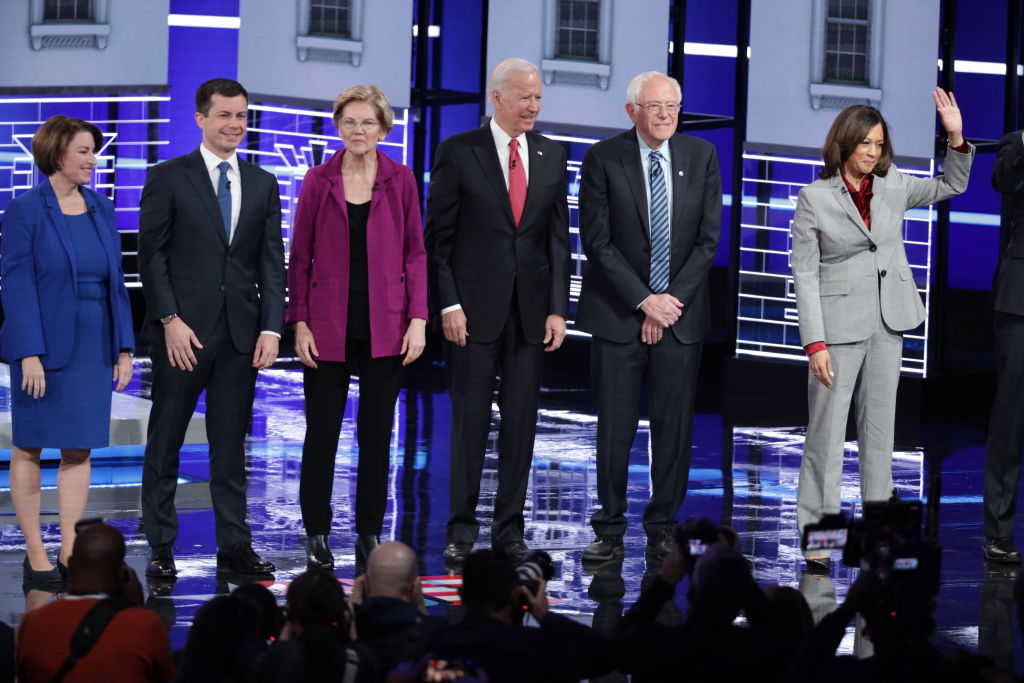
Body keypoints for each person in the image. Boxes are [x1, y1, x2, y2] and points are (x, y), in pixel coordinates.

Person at [792, 91, 973, 568]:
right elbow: (805, 275)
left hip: (887, 324)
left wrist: (954, 135)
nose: (872, 152)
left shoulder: (893, 185)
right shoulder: (814, 198)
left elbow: (950, 186)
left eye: (879, 143)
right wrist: (814, 342)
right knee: (826, 438)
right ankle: (821, 542)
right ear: (844, 144)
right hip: (835, 330)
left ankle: (878, 536)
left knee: (879, 436)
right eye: (864, 144)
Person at [424, 57, 570, 563]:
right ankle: (461, 530)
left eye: (538, 99)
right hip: (471, 312)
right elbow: (437, 240)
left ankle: (510, 529)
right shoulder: (459, 151)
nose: (533, 106)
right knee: (469, 421)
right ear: (498, 97)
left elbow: (557, 239)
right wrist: (449, 303)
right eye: (525, 97)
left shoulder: (552, 154)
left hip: (530, 314)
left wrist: (557, 309)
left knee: (521, 424)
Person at [138, 78, 286, 579]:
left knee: (229, 449)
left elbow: (271, 263)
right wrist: (169, 320)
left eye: (241, 115)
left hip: (240, 338)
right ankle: (160, 545)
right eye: (224, 115)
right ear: (201, 119)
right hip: (182, 334)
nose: (235, 125)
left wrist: (272, 329)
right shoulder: (168, 177)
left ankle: (234, 547)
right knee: (166, 443)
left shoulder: (263, 182)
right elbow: (150, 255)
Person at [576, 71, 721, 561]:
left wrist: (667, 303)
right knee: (614, 428)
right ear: (631, 110)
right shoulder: (602, 158)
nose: (665, 115)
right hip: (618, 315)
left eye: (673, 106)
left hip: (681, 317)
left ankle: (662, 526)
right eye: (655, 106)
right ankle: (609, 529)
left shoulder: (701, 157)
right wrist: (644, 301)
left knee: (673, 428)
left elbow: (707, 241)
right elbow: (597, 241)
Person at [287, 85, 427, 571]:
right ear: (338, 126)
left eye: (368, 122)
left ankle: (368, 532)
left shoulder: (401, 178)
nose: (358, 131)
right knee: (322, 433)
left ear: (384, 128)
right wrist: (299, 321)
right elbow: (298, 257)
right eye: (349, 122)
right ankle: (317, 533)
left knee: (376, 434)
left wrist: (419, 318)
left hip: (387, 325)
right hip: (327, 324)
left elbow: (416, 252)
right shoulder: (317, 179)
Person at [0, 115, 134, 584]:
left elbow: (114, 282)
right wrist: (28, 353)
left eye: (92, 151)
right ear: (58, 155)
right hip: (43, 348)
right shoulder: (25, 210)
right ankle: (35, 552)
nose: (92, 160)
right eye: (83, 151)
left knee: (79, 449)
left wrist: (123, 348)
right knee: (30, 446)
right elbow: (16, 285)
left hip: (93, 345)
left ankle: (69, 549)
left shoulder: (102, 207)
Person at [16, 522, 174, 682]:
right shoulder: (145, 624)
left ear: (70, 565)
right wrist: (137, 607)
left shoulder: (33, 623)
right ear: (123, 573)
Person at [427, 549, 610, 682]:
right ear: (514, 594)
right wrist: (545, 616)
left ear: (461, 596)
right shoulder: (537, 649)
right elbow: (604, 655)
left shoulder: (435, 643)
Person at [984, 127, 1024, 563]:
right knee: (1011, 418)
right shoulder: (1017, 143)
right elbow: (1003, 183)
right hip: (1020, 302)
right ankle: (998, 531)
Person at [253, 570, 378, 683]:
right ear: (341, 615)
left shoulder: (280, 659)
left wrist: (282, 641)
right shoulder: (360, 661)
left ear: (291, 614)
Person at [350, 541, 444, 676]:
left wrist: (352, 609)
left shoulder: (346, 633)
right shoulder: (435, 633)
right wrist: (421, 606)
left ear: (365, 585)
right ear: (415, 587)